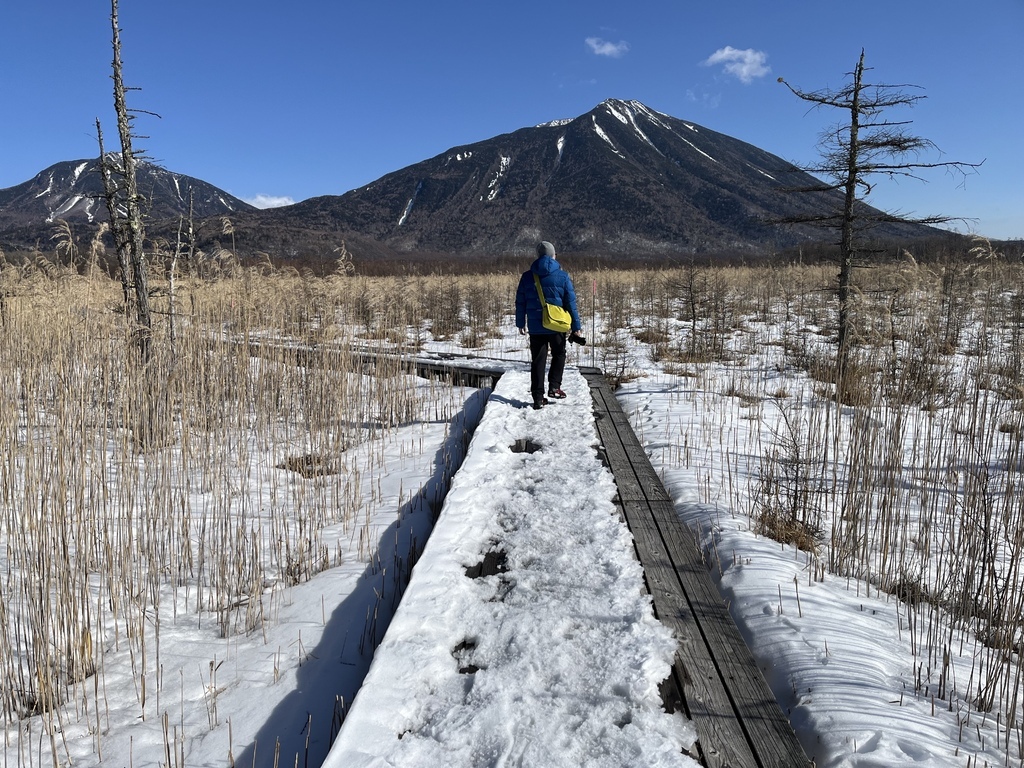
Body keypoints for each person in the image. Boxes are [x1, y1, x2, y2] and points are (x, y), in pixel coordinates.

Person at [515, 241, 582, 410]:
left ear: (538, 256)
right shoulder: (563, 276)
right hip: (557, 325)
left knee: (538, 360)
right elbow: (570, 304)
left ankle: (538, 398)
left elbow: (520, 302)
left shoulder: (527, 276)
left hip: (536, 326)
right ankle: (554, 387)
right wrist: (576, 326)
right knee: (559, 354)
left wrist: (520, 323)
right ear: (554, 256)